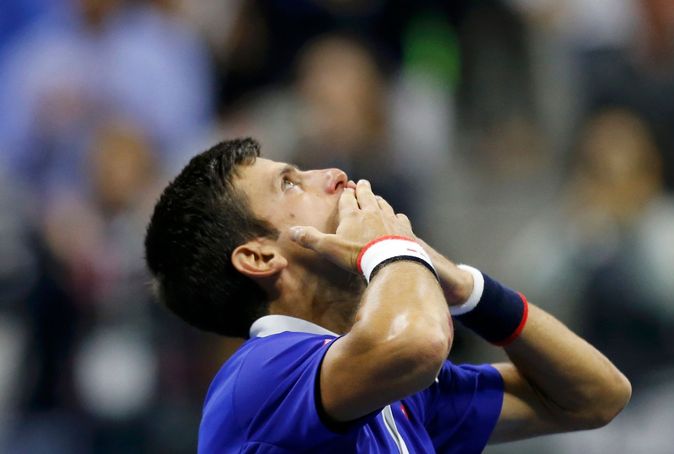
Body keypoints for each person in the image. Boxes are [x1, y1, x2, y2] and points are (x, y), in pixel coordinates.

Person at [144, 138, 631, 453]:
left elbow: (596, 397)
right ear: (260, 258)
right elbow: (416, 344)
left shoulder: (396, 392)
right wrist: (392, 250)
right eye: (290, 183)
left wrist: (470, 292)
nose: (331, 173)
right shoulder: (256, 378)